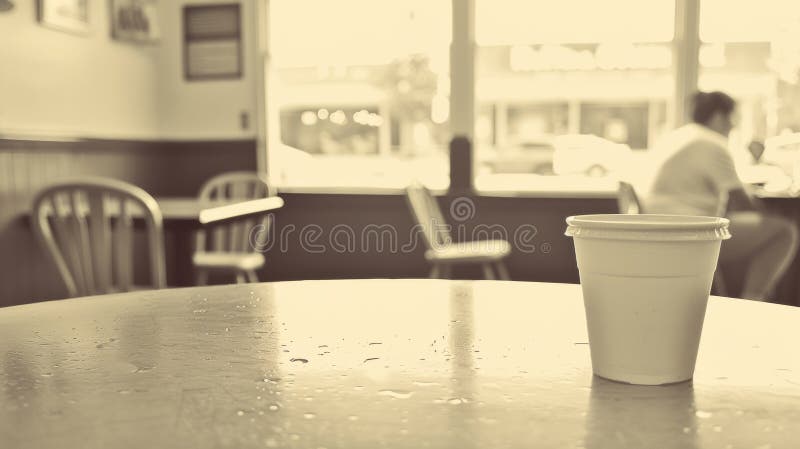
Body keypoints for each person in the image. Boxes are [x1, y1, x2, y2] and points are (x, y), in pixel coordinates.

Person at [645, 91, 798, 301]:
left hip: (659, 228)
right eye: (732, 118)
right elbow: (741, 201)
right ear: (719, 117)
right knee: (784, 231)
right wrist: (766, 209)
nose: (733, 126)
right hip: (689, 232)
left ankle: (731, 299)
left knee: (741, 228)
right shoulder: (711, 143)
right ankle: (752, 301)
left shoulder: (680, 136)